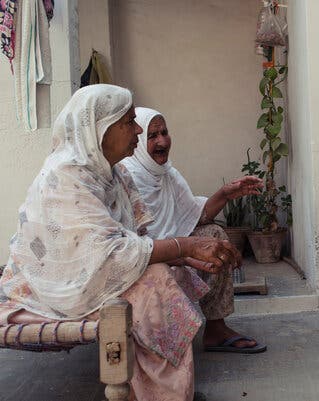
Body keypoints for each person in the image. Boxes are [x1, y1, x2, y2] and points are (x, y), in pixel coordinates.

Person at [0, 84, 241, 401]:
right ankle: (161, 394)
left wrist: (184, 257)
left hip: (96, 274)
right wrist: (185, 247)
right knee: (155, 285)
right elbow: (111, 254)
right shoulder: (67, 176)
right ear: (99, 129)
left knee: (170, 275)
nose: (139, 130)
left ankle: (157, 387)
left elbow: (134, 241)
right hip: (57, 287)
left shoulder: (113, 175)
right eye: (129, 122)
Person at [120, 107, 266, 353]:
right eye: (152, 136)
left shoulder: (168, 174)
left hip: (175, 246)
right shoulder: (126, 177)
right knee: (171, 262)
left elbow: (198, 217)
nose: (163, 141)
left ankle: (216, 329)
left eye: (165, 132)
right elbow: (134, 244)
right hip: (143, 257)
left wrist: (225, 194)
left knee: (214, 236)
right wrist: (187, 255)